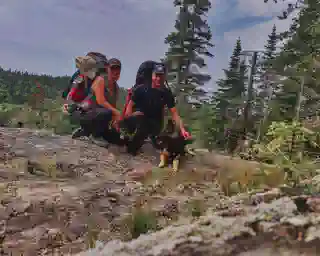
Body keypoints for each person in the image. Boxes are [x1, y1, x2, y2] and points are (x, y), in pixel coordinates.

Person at [120, 62, 190, 155]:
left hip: (154, 124)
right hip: (137, 120)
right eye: (156, 75)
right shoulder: (141, 89)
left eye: (161, 76)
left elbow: (175, 114)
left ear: (164, 77)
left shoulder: (166, 93)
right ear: (152, 75)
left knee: (154, 130)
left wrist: (182, 130)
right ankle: (130, 145)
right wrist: (133, 115)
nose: (158, 79)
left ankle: (140, 144)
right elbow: (128, 110)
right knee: (141, 122)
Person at [68, 56, 123, 146]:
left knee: (115, 138)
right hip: (84, 112)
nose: (115, 73)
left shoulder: (116, 88)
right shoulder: (100, 80)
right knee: (106, 112)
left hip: (99, 116)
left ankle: (85, 131)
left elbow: (113, 107)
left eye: (117, 70)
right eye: (112, 69)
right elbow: (101, 101)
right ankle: (95, 135)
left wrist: (115, 121)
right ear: (107, 69)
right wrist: (116, 112)